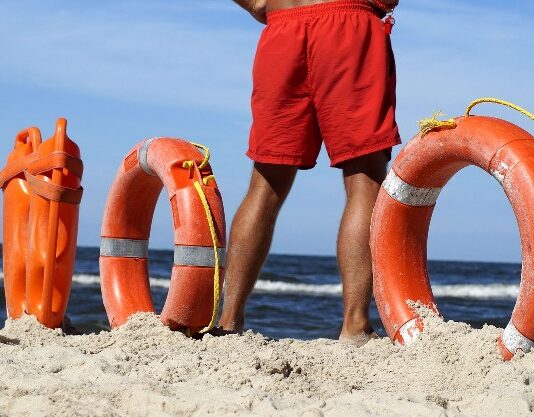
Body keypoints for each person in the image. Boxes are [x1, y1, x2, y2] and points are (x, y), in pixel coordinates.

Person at [219, 0, 401, 345]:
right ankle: (355, 326)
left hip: (283, 27)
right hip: (349, 25)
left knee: (265, 182)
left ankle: (229, 322)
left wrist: (258, 3)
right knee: (365, 179)